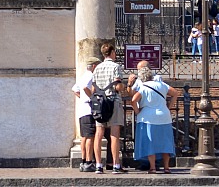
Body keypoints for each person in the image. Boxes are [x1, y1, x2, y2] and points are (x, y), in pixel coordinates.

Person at [130, 62, 178, 174]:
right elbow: (175, 93)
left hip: (148, 118)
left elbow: (133, 100)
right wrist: (168, 107)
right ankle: (166, 167)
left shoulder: (143, 87)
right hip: (164, 117)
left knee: (150, 142)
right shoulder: (161, 84)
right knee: (165, 142)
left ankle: (152, 167)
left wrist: (138, 111)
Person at [92, 42, 133, 173]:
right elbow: (118, 86)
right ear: (112, 52)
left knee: (99, 134)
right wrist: (126, 86)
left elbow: (93, 88)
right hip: (113, 100)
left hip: (99, 102)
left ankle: (98, 164)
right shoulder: (116, 67)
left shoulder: (97, 68)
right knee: (114, 134)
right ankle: (116, 164)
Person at [72, 56, 100, 172]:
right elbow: (84, 88)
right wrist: (92, 98)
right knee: (90, 136)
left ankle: (84, 160)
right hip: (89, 109)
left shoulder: (83, 76)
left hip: (82, 109)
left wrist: (82, 97)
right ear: (93, 66)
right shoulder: (90, 76)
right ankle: (89, 161)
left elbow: (75, 89)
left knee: (84, 136)